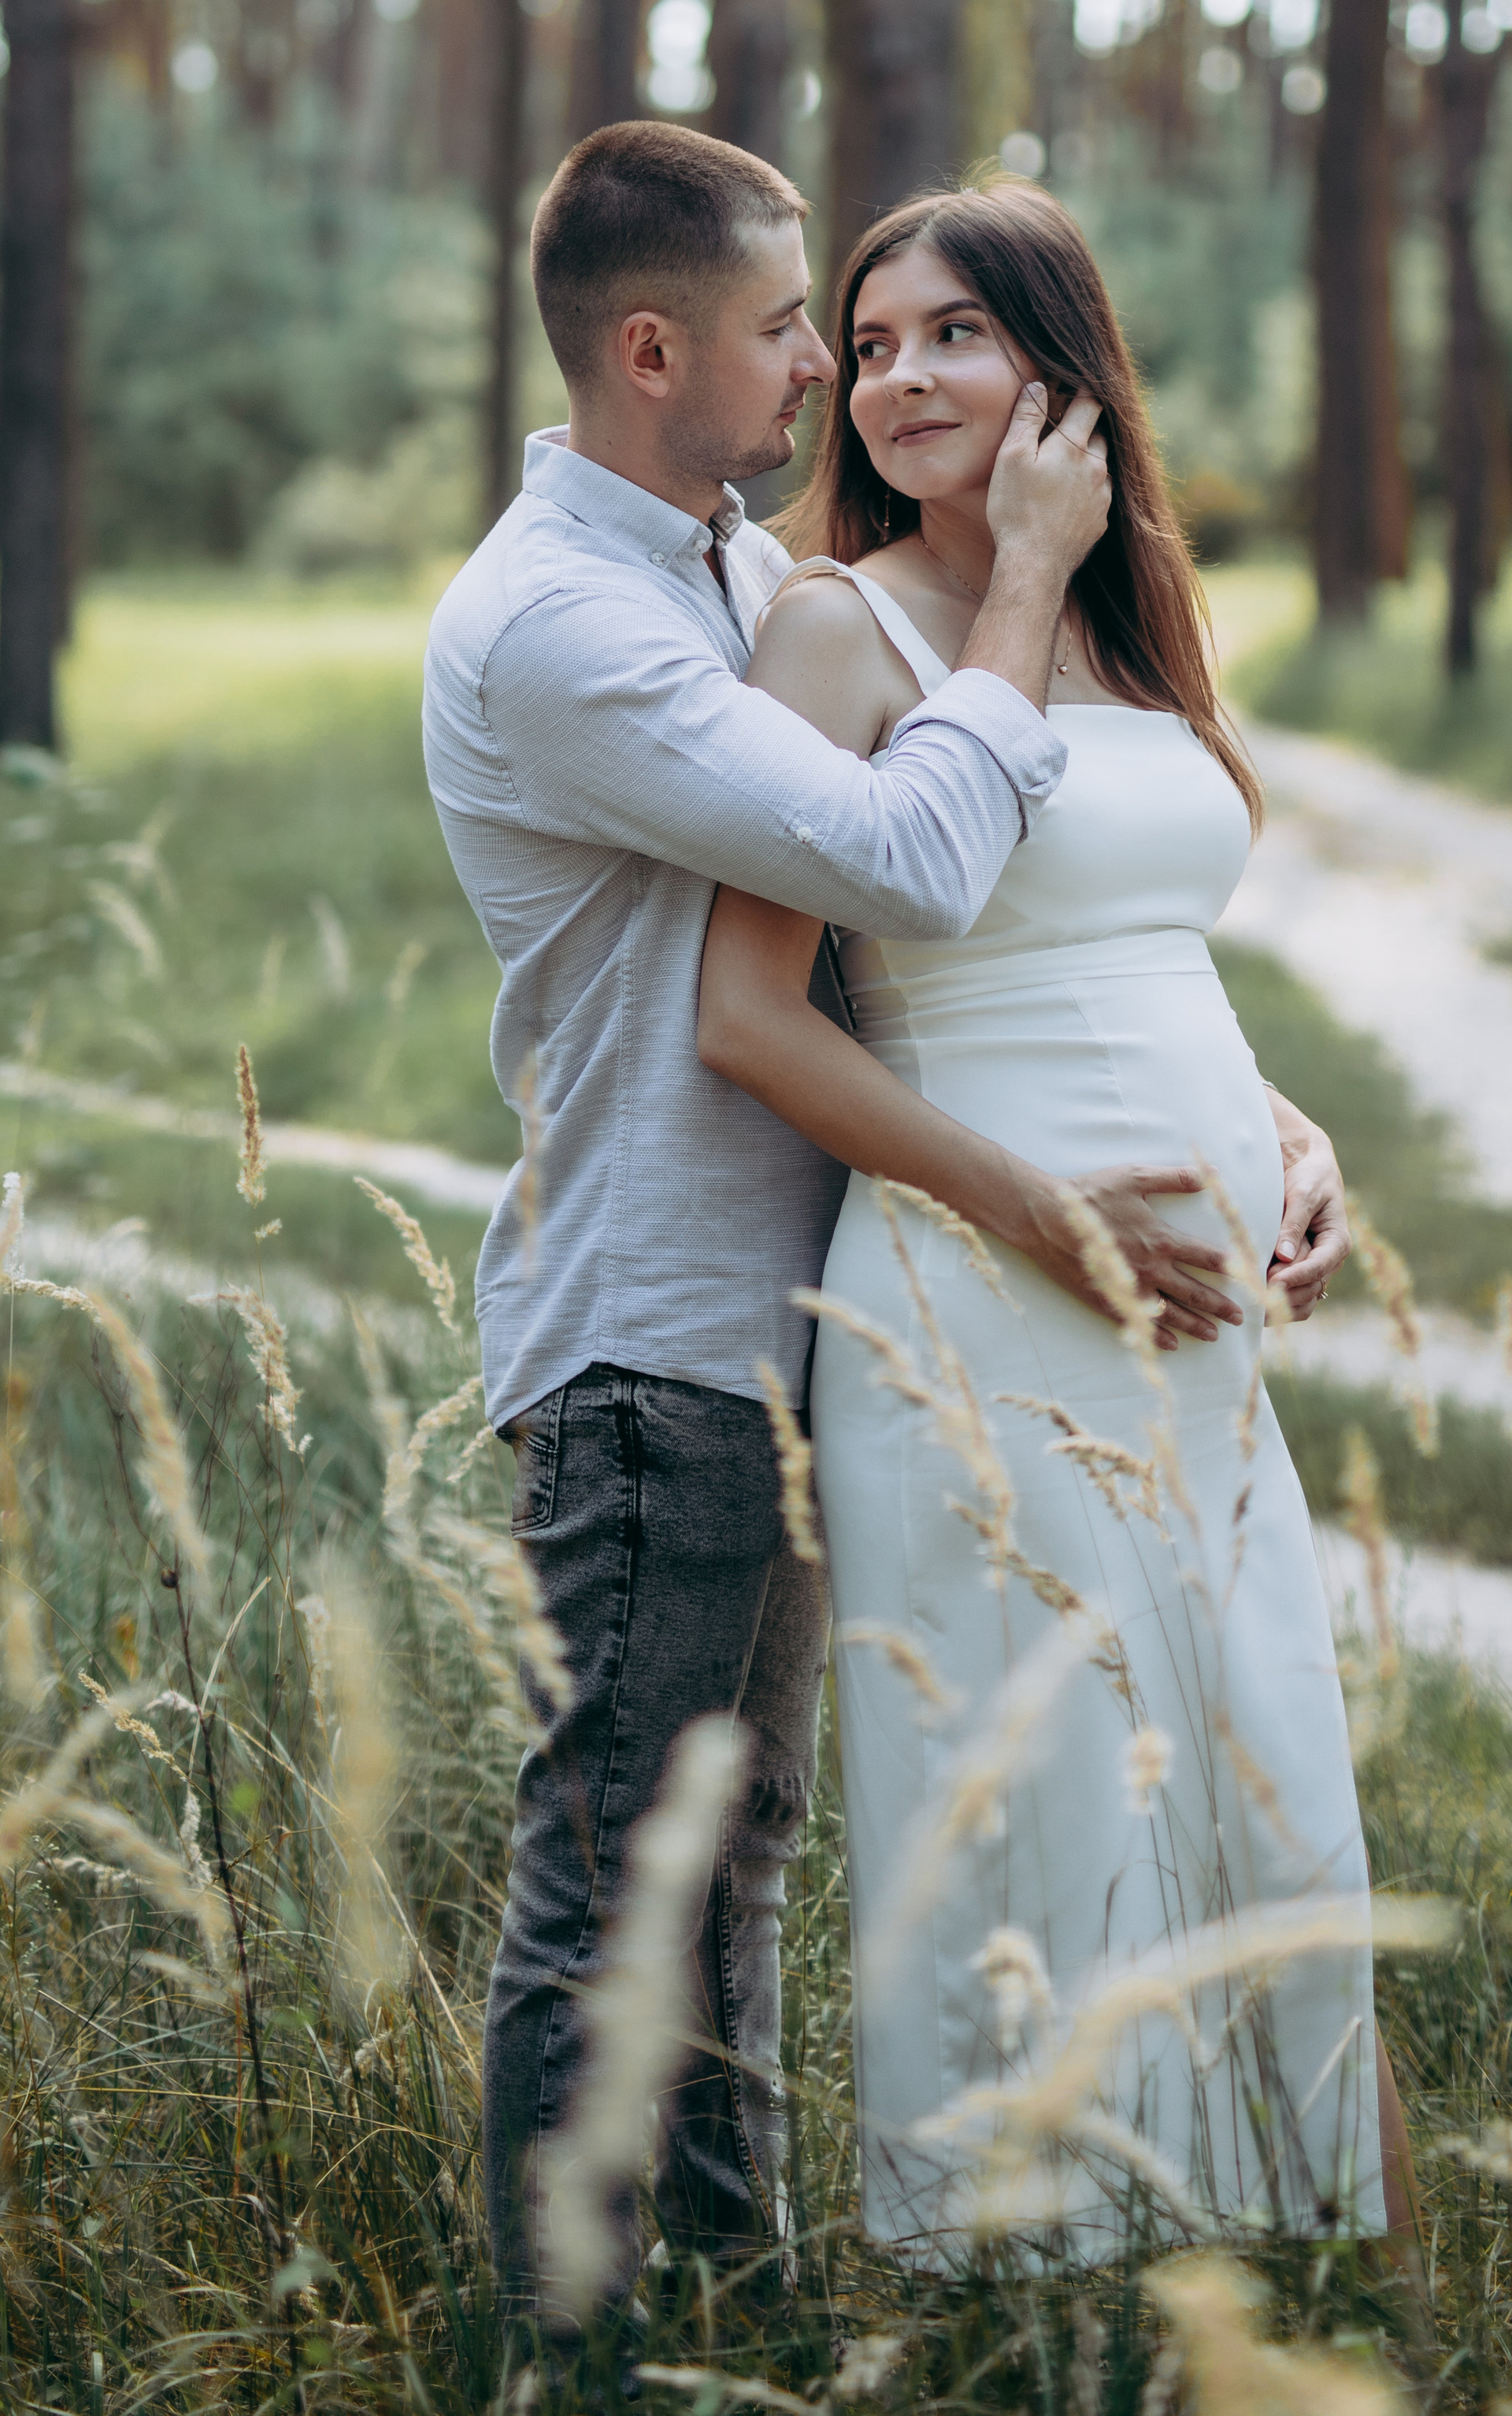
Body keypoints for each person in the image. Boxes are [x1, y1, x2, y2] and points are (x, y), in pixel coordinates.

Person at [421, 121, 1112, 2327]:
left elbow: (922, 949)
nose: (823, 366)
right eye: (788, 324)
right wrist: (1017, 583)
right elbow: (901, 864)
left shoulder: (715, 573)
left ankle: (737, 2316)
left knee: (740, 1875)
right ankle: (572, 2353)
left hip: (791, 1333)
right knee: (615, 1887)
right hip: (653, 1337)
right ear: (652, 347)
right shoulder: (555, 626)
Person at [697, 177, 1415, 2261]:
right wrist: (1038, 1219)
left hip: (1194, 1331)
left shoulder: (1118, 620)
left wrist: (1284, 1133)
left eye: (958, 335)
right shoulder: (843, 630)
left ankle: (1295, 2257)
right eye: (878, 337)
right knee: (1044, 1783)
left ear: (1064, 372)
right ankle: (1035, 2282)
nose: (902, 376)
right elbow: (757, 1017)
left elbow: (1130, 944)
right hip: (978, 1295)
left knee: (1248, 1744)